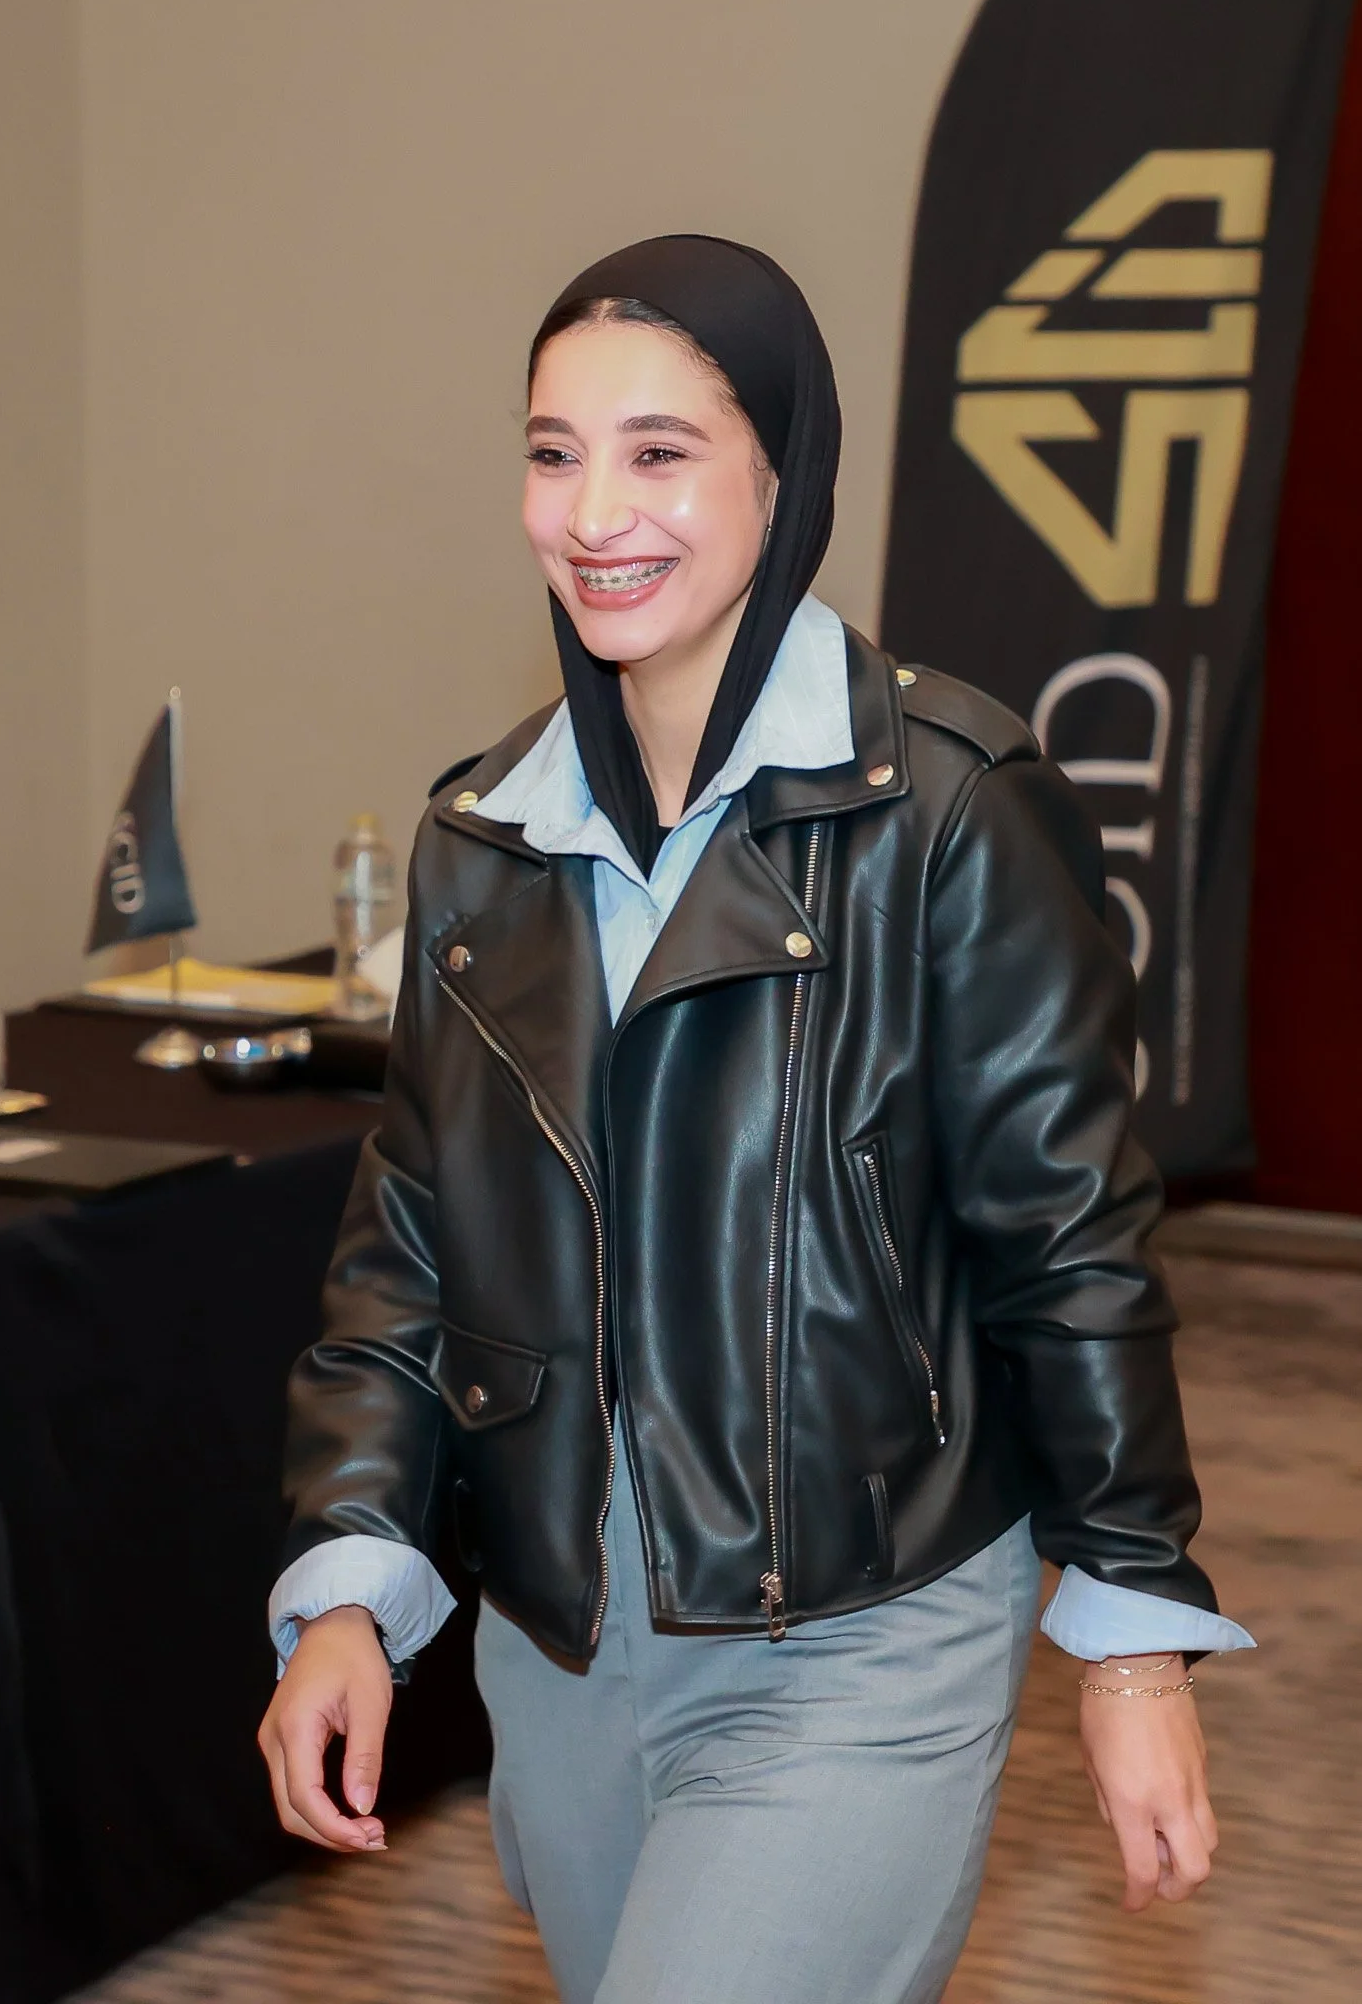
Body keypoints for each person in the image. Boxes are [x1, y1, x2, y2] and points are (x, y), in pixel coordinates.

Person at [258, 235, 1252, 2004]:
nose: (591, 511)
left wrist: (1131, 1648)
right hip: (561, 1640)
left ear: (782, 477)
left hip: (861, 1631)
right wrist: (348, 1579)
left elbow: (1069, 1241)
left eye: (660, 451)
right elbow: (407, 1244)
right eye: (554, 451)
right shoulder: (486, 839)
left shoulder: (952, 807)